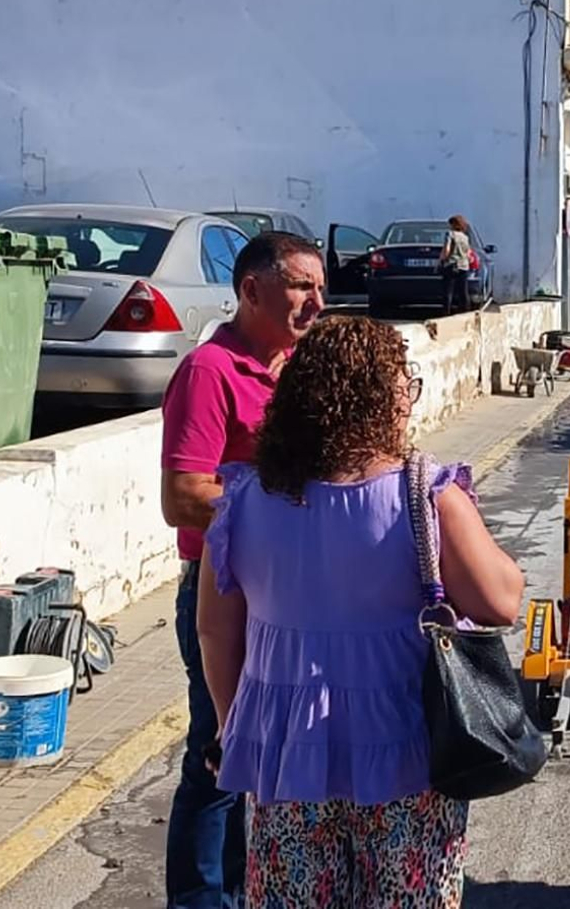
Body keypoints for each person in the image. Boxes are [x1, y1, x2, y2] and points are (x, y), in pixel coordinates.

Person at [196, 316, 524, 907]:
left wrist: (230, 723)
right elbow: (501, 601)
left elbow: (215, 630)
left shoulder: (240, 501)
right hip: (405, 749)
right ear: (380, 399)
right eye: (406, 386)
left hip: (286, 753)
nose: (410, 401)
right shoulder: (425, 495)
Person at [160, 230, 325, 908]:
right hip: (223, 593)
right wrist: (282, 510)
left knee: (268, 755)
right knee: (219, 755)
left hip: (285, 592)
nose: (317, 302)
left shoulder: (298, 367)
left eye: (321, 287)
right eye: (302, 286)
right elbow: (182, 496)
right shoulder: (209, 371)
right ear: (252, 289)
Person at [441, 214, 473, 314]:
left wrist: (443, 259)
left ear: (454, 224)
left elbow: (447, 250)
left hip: (451, 265)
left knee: (448, 291)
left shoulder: (450, 234)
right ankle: (465, 312)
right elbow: (469, 253)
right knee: (463, 291)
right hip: (464, 266)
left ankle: (446, 312)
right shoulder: (465, 237)